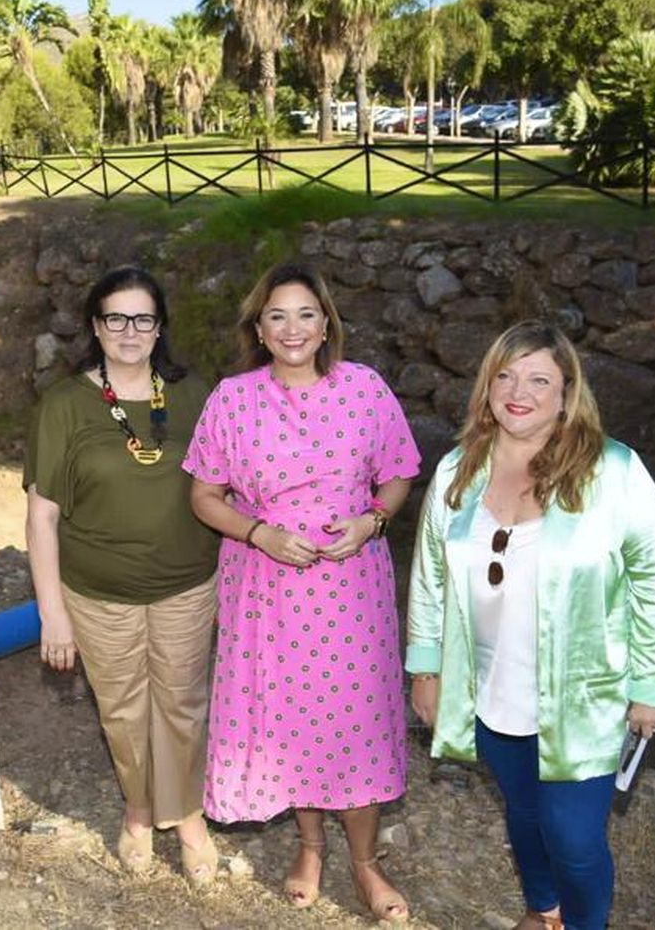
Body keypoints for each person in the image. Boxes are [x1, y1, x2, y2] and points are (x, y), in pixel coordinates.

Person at [405, 320, 655, 930]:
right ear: (486, 386)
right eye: (504, 375)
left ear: (566, 393)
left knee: (575, 838)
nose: (518, 391)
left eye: (538, 378)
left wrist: (654, 685)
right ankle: (543, 908)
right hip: (490, 684)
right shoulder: (457, 470)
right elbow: (428, 574)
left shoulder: (613, 472)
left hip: (587, 692)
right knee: (524, 812)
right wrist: (426, 669)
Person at [184, 261, 420, 922]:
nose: (292, 328)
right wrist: (259, 533)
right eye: (277, 316)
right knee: (292, 719)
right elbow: (204, 495)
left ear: (326, 325)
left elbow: (400, 470)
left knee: (359, 717)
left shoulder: (367, 389)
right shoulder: (232, 398)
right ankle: (311, 845)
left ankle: (367, 861)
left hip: (352, 590)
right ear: (258, 328)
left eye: (305, 314)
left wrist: (373, 519)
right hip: (267, 589)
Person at [23, 264, 223, 883]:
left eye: (143, 318)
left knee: (183, 703)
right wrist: (52, 612)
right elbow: (41, 516)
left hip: (187, 582)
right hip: (97, 591)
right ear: (95, 325)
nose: (130, 331)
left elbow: (236, 482)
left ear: (160, 326)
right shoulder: (62, 405)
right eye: (116, 318)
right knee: (124, 708)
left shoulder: (195, 394)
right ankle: (139, 811)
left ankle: (187, 816)